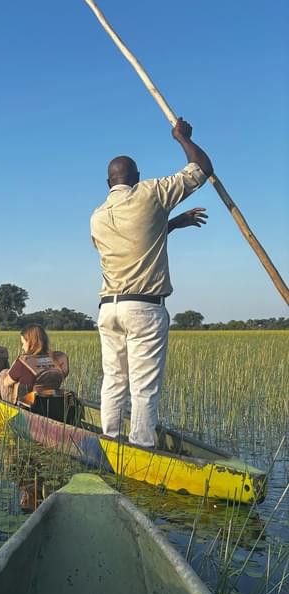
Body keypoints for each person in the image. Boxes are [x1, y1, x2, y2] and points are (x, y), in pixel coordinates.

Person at [90, 117, 213, 449]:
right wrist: (182, 137)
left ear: (108, 183)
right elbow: (202, 168)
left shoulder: (97, 216)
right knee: (143, 386)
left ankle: (109, 439)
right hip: (144, 309)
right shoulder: (150, 193)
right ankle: (143, 447)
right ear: (137, 177)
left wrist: (170, 225)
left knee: (114, 380)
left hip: (109, 309)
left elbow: (132, 244)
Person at [0, 324, 69, 404]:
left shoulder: (24, 362)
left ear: (30, 343)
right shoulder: (58, 359)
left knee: (3, 373)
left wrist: (10, 370)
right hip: (52, 401)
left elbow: (6, 383)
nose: (22, 347)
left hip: (28, 404)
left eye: (23, 343)